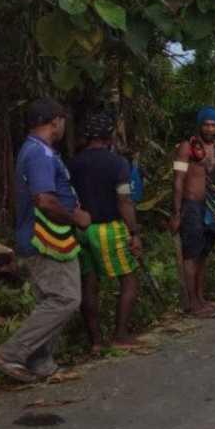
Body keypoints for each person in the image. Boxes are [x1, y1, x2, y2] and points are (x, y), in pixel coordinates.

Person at [0, 98, 92, 383]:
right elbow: (44, 200)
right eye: (63, 121)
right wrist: (75, 217)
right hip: (45, 239)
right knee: (65, 299)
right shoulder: (40, 154)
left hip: (44, 237)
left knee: (50, 300)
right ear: (55, 120)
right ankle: (11, 352)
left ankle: (41, 362)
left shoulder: (37, 150)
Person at [68, 111, 144, 351]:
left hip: (82, 229)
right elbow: (124, 201)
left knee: (89, 283)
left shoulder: (73, 163)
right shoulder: (117, 163)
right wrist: (134, 232)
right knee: (129, 280)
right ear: (108, 136)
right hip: (109, 228)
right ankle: (120, 335)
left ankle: (96, 342)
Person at [170, 107, 215, 318]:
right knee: (191, 254)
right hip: (192, 206)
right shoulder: (187, 147)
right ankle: (193, 303)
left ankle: (201, 298)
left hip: (213, 206)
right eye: (206, 124)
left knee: (204, 253)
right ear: (199, 125)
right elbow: (178, 180)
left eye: (214, 125)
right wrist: (176, 213)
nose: (210, 128)